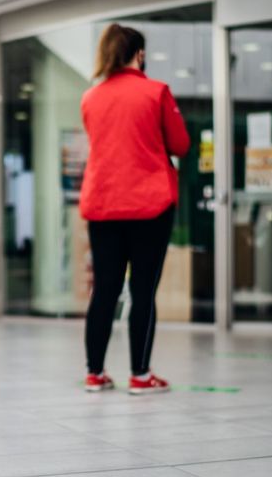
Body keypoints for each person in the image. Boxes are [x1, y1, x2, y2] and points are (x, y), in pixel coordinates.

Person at [80, 23, 190, 395]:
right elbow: (181, 143)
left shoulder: (90, 98)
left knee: (105, 290)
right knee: (143, 290)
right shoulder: (155, 92)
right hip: (149, 205)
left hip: (103, 205)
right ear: (139, 54)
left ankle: (95, 373)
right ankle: (140, 376)